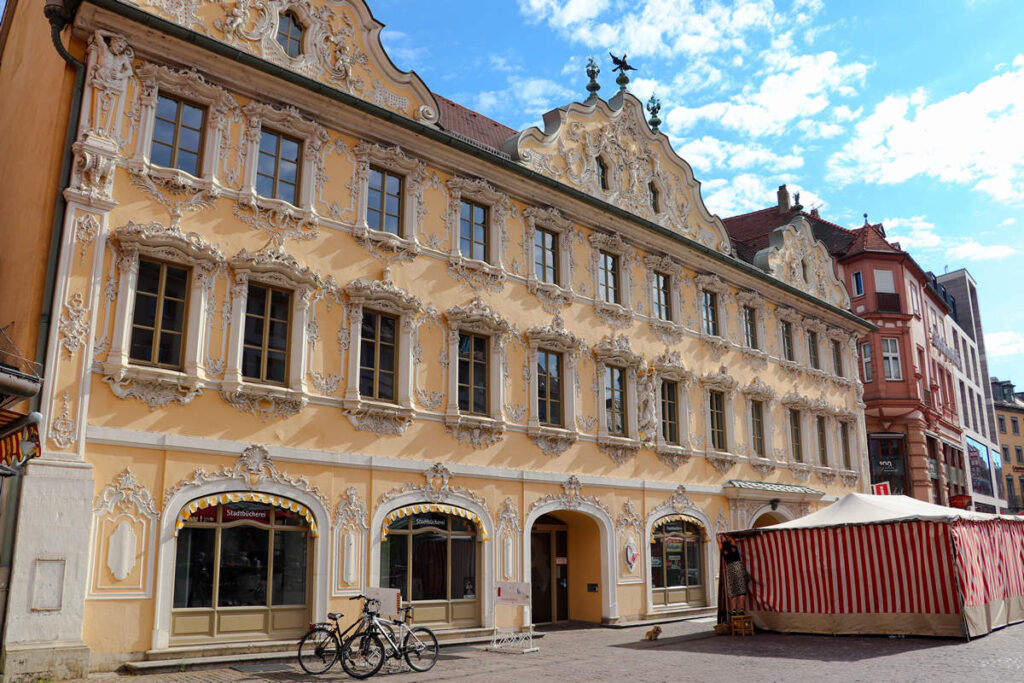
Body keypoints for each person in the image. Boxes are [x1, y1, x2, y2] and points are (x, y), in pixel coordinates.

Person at [720, 534, 748, 615]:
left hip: (730, 569)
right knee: (741, 591)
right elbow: (732, 539)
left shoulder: (723, 552)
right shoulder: (734, 549)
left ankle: (734, 610)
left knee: (733, 592)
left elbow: (719, 544)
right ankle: (742, 609)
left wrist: (718, 537)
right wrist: (726, 535)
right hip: (738, 567)